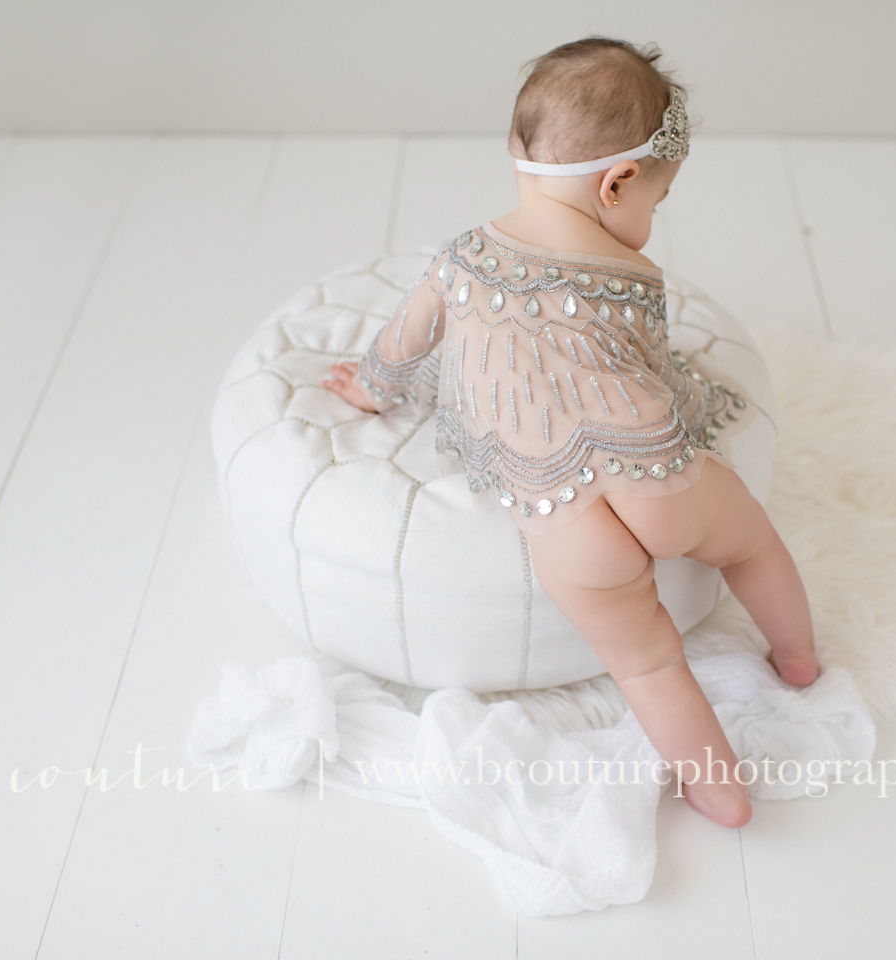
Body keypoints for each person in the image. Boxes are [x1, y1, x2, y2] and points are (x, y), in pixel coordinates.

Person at [322, 37, 817, 828]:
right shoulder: (634, 277)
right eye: (658, 200)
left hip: (558, 513)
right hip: (658, 475)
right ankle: (797, 658)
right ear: (618, 184)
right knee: (751, 545)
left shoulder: (459, 260)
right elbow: (650, 371)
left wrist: (372, 389)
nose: (651, 218)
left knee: (648, 664)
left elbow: (403, 344)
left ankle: (719, 793)